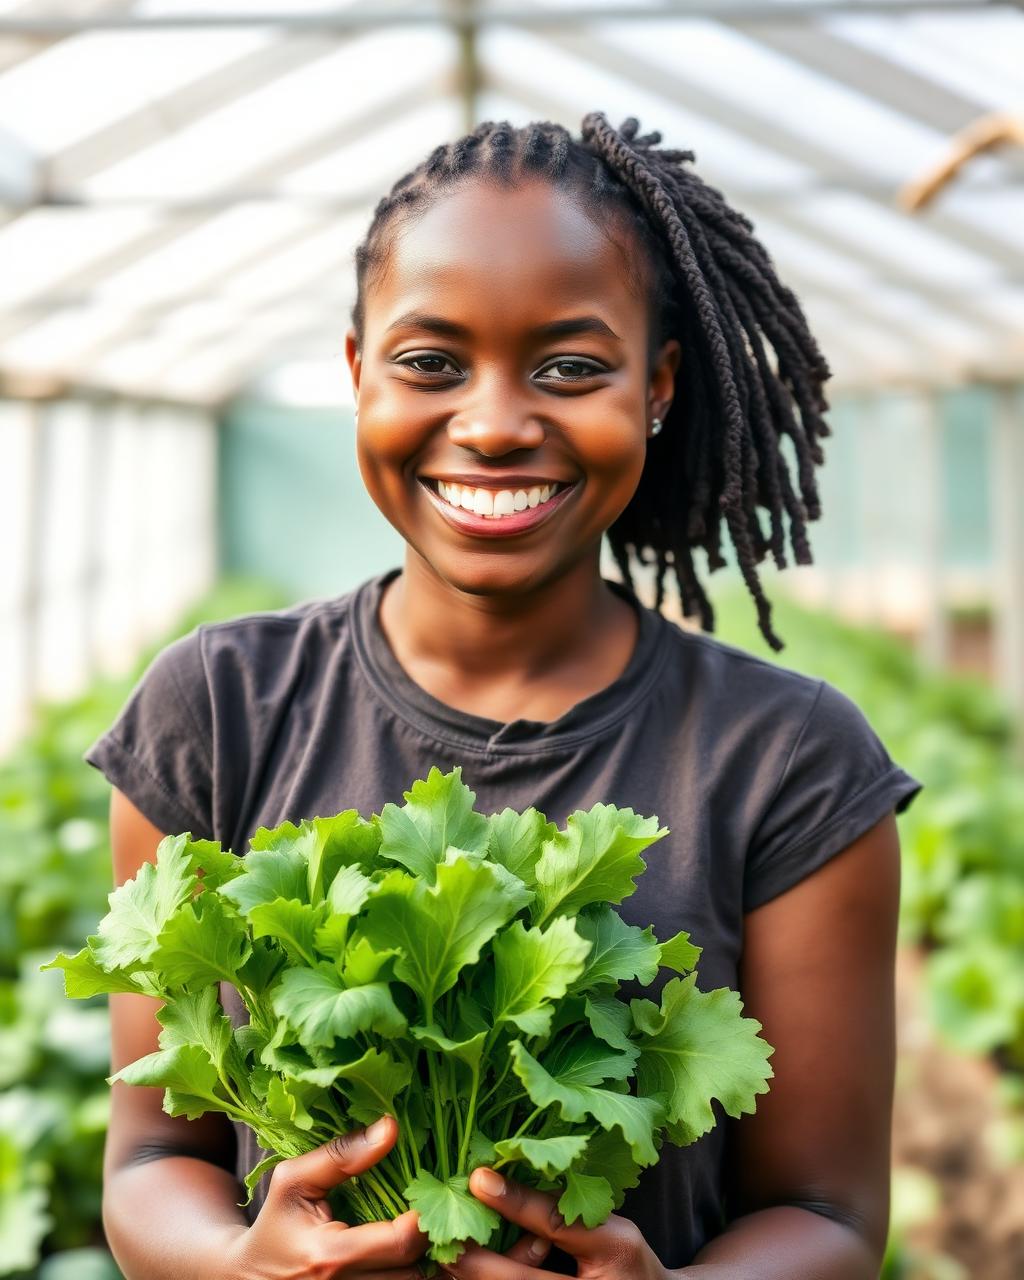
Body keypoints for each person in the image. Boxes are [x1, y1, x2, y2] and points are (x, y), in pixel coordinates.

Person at [87, 114, 923, 1279]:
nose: (491, 424)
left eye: (571, 368)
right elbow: (146, 1160)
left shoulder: (787, 757)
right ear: (356, 374)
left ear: (659, 387)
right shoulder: (214, 709)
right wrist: (238, 1263)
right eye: (430, 362)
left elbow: (827, 1212)